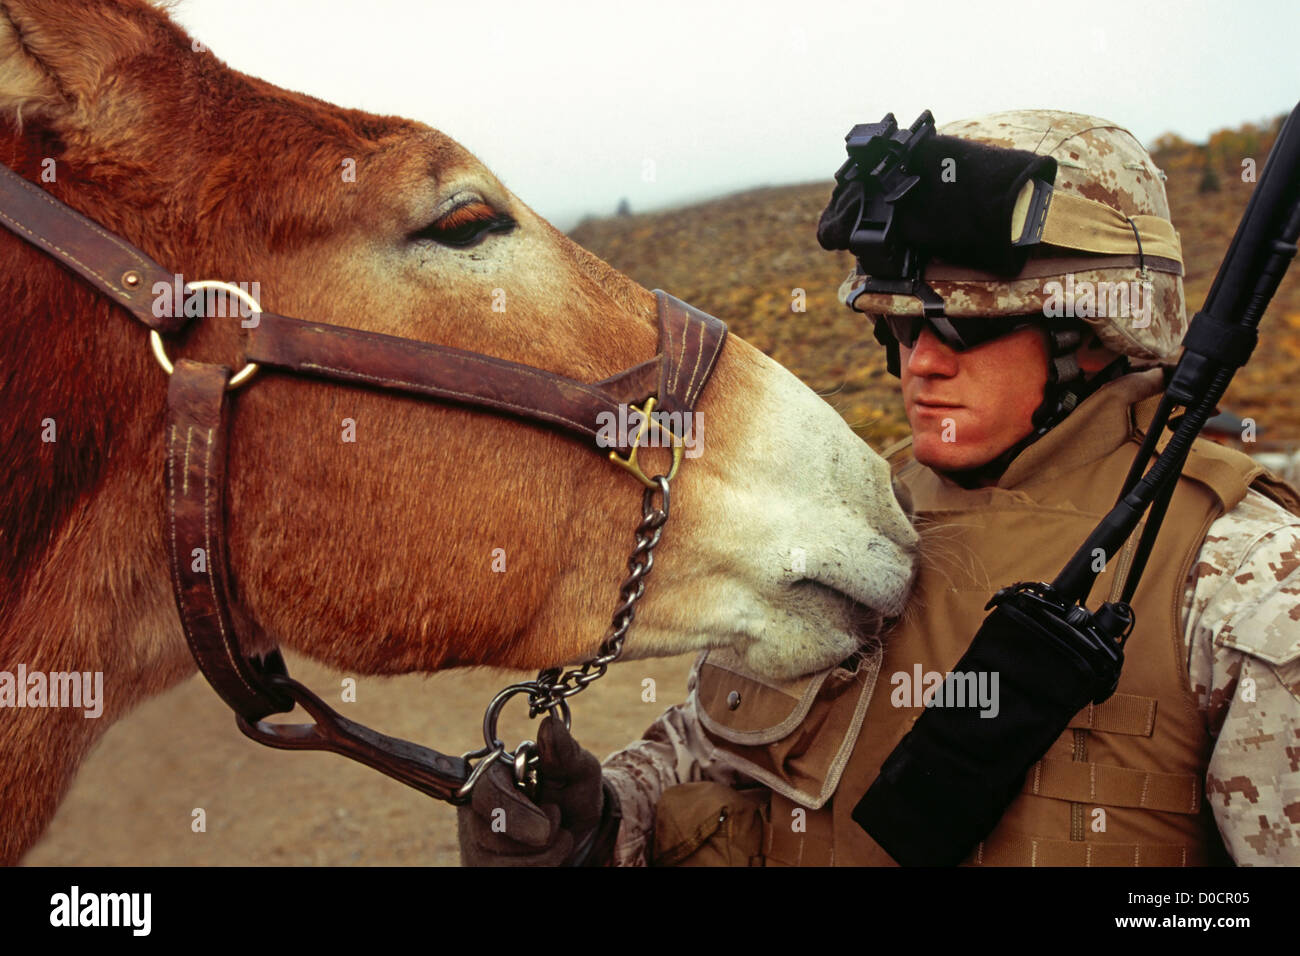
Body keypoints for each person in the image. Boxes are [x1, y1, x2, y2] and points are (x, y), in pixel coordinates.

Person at [458, 110, 1300, 867]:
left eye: (960, 325)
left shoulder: (1241, 579)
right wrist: (604, 825)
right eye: (898, 327)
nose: (921, 362)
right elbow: (714, 747)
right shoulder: (855, 511)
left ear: (1092, 335)